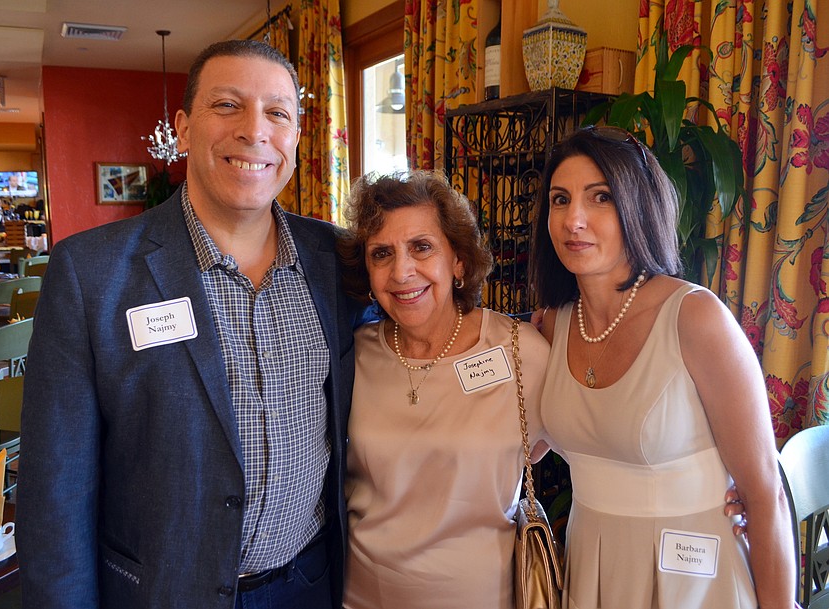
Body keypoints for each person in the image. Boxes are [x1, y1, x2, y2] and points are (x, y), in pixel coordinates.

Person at [17, 40, 364, 609]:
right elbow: (55, 493)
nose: (255, 131)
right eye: (228, 105)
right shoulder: (91, 273)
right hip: (163, 592)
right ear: (181, 128)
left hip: (312, 583)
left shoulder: (336, 259)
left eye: (278, 113)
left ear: (297, 138)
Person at [531, 126, 795, 608]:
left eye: (600, 197)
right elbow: (519, 450)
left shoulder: (695, 317)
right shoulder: (551, 325)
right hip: (593, 572)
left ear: (636, 206)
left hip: (695, 582)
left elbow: (764, 495)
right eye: (560, 200)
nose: (574, 220)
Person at [338, 170, 553, 609]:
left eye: (421, 247)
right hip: (362, 598)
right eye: (382, 254)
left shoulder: (520, 351)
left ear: (458, 260)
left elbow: (573, 448)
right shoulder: (353, 357)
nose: (401, 271)